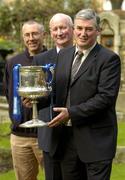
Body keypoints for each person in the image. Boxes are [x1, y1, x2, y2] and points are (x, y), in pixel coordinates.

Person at [45, 9, 121, 180]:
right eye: (79, 28)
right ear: (73, 29)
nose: (83, 33)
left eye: (88, 29)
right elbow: (56, 90)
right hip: (66, 141)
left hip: (96, 142)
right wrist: (37, 100)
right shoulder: (64, 55)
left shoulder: (109, 59)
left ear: (98, 31)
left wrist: (71, 113)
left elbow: (105, 98)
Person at [3, 20, 47, 180]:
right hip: (20, 136)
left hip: (48, 133)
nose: (31, 38)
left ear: (44, 35)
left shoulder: (54, 60)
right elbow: (9, 93)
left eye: (35, 33)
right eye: (27, 35)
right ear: (23, 37)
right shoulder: (13, 62)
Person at [33, 13, 74, 180]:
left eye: (63, 27)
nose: (59, 32)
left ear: (72, 30)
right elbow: (39, 94)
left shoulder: (81, 57)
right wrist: (32, 100)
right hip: (49, 133)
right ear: (50, 32)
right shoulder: (40, 59)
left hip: (76, 134)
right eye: (55, 29)